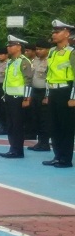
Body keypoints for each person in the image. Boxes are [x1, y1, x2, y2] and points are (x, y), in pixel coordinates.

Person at [43, 19, 74, 168]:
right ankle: (57, 156)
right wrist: (48, 95)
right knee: (54, 126)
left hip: (66, 92)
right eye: (53, 32)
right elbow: (49, 74)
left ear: (67, 33)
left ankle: (66, 159)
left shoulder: (72, 52)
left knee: (66, 127)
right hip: (53, 91)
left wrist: (73, 97)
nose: (54, 34)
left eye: (57, 32)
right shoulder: (52, 52)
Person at [0, 35, 32, 159]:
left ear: (18, 47)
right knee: (11, 124)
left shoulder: (23, 61)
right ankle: (13, 148)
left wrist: (26, 98)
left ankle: (17, 150)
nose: (8, 48)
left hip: (18, 98)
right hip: (9, 96)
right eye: (8, 45)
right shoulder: (11, 61)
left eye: (11, 45)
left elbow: (28, 80)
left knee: (17, 125)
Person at [29, 40, 52, 151]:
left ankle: (45, 143)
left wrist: (47, 96)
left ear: (47, 50)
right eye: (37, 49)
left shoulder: (50, 61)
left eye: (40, 49)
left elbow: (50, 79)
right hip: (35, 91)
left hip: (44, 92)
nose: (38, 51)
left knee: (44, 119)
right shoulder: (35, 61)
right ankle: (40, 142)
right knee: (36, 117)